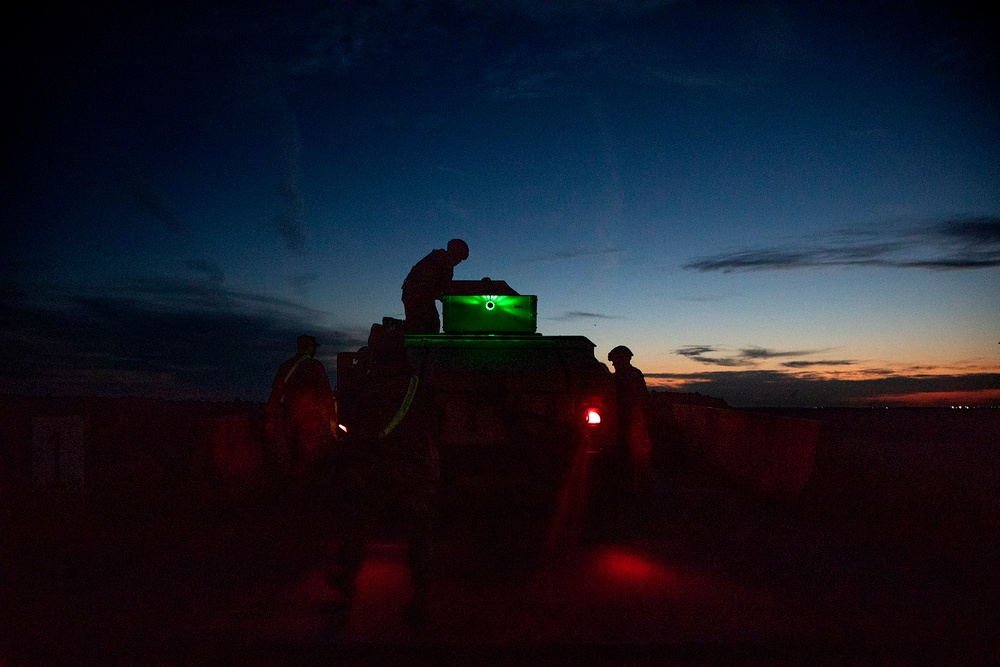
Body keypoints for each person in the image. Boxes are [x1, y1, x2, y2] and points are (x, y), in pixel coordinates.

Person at [326, 349, 440, 629]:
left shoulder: (368, 384)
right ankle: (422, 600)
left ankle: (348, 580)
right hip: (413, 468)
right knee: (419, 536)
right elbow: (438, 420)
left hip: (377, 468)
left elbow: (349, 421)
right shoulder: (419, 386)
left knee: (362, 524)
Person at [265, 334, 337, 483]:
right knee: (308, 457)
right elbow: (325, 396)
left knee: (292, 454)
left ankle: (291, 487)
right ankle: (304, 490)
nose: (315, 351)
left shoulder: (286, 366)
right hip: (310, 421)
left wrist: (270, 418)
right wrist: (332, 420)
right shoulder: (316, 367)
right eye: (313, 347)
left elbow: (276, 393)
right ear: (309, 348)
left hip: (289, 418)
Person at [607, 345, 653, 533]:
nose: (616, 364)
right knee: (629, 461)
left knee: (634, 462)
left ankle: (636, 497)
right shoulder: (626, 376)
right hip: (625, 425)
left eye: (617, 360)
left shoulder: (629, 376)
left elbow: (638, 400)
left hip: (631, 425)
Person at [401, 238, 469, 333]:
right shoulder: (440, 260)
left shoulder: (443, 262)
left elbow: (441, 287)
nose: (458, 262)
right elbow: (428, 284)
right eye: (459, 257)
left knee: (428, 323)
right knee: (427, 324)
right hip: (415, 295)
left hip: (420, 296)